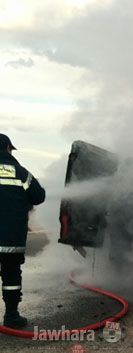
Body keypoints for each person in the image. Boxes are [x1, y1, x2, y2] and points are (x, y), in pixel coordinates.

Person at [0, 133, 45, 328]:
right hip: (11, 239)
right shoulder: (20, 172)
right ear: (8, 148)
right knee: (11, 277)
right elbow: (39, 196)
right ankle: (11, 317)